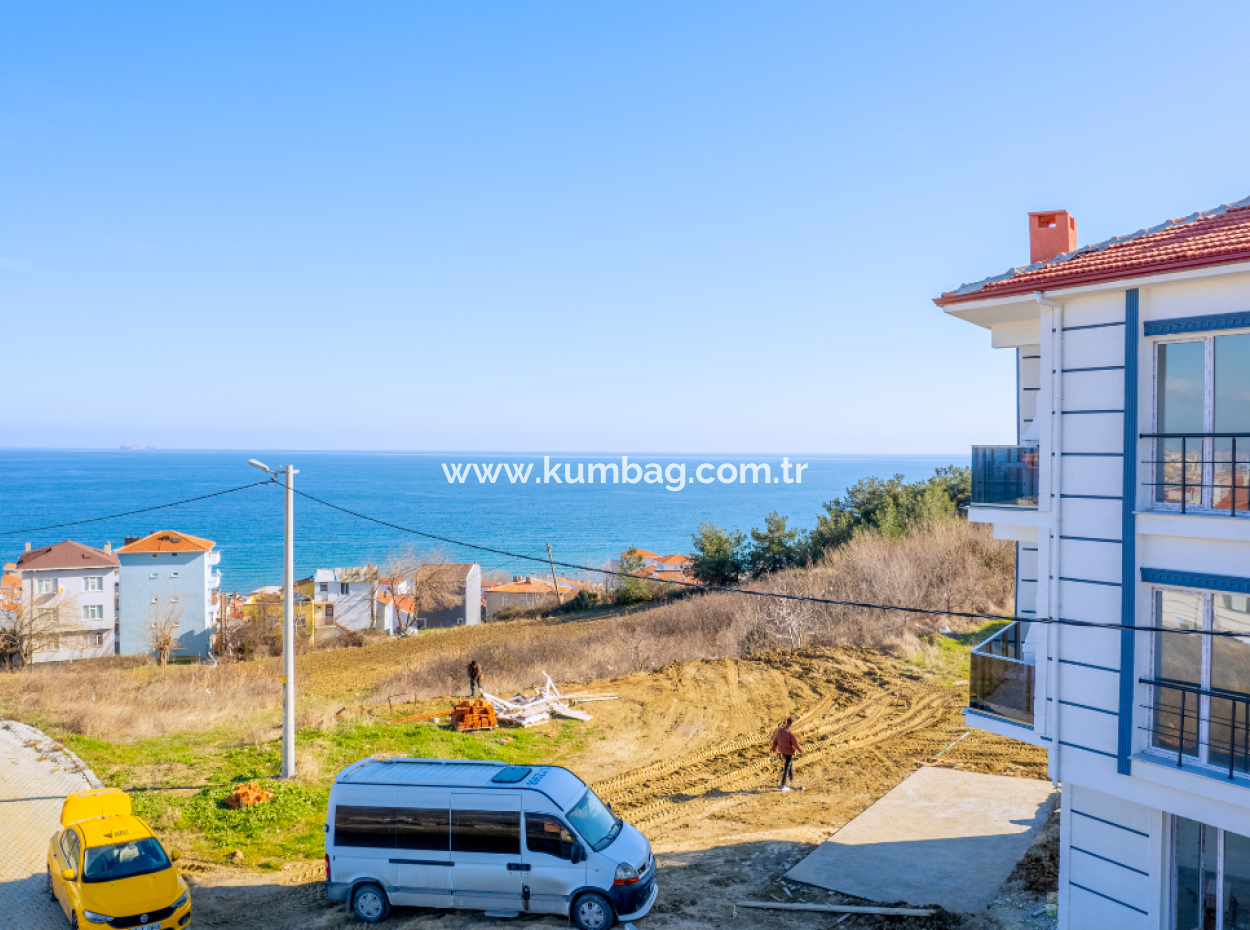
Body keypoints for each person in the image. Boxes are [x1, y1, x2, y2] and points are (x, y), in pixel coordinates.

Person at [771, 717, 802, 791]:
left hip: (782, 751)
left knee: (790, 764)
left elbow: (775, 741)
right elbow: (796, 744)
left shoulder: (780, 731)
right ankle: (783, 785)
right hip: (788, 752)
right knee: (787, 768)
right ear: (792, 724)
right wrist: (800, 751)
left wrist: (774, 749)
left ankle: (791, 781)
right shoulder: (790, 733)